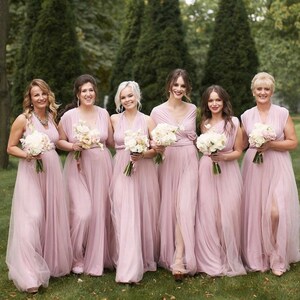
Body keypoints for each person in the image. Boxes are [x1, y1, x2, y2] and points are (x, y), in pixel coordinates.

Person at [6, 79, 72, 293]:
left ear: (48, 95)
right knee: (31, 217)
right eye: (36, 95)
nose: (41, 98)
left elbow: (58, 142)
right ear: (30, 98)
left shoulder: (52, 118)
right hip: (31, 173)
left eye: (44, 93)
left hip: (52, 172)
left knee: (50, 216)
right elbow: (10, 147)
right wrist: (28, 154)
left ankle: (49, 264)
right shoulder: (23, 119)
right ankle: (27, 273)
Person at [241, 72, 300, 276]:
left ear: (272, 91)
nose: (263, 92)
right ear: (253, 92)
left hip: (277, 166)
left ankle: (277, 253)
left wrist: (271, 143)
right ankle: (259, 254)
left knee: (276, 212)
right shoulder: (246, 116)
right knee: (257, 211)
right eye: (259, 89)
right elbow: (240, 144)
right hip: (254, 168)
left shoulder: (282, 113)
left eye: (266, 89)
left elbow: (293, 142)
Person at [57, 74, 114, 276]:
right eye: (84, 91)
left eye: (91, 90)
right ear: (78, 94)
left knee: (100, 212)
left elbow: (112, 143)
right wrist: (73, 145)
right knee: (82, 213)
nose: (88, 94)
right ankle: (76, 256)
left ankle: (97, 255)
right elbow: (59, 141)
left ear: (95, 92)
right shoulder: (69, 116)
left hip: (102, 169)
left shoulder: (104, 114)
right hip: (78, 167)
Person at [150, 69, 198, 281]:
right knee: (170, 207)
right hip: (168, 161)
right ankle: (167, 250)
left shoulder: (193, 109)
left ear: (187, 88)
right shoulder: (157, 112)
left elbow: (194, 136)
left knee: (184, 207)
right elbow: (153, 140)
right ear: (169, 85)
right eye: (176, 85)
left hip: (189, 158)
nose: (179, 89)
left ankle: (179, 259)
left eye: (183, 86)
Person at [110, 81, 160, 283]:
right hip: (122, 169)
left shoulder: (148, 120)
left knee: (142, 213)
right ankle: (127, 263)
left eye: (130, 96)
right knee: (124, 211)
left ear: (137, 96)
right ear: (119, 100)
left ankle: (144, 258)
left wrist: (143, 154)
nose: (127, 100)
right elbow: (107, 143)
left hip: (144, 171)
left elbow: (157, 149)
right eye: (123, 97)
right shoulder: (113, 119)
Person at [194, 85, 246, 277]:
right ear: (206, 104)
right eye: (210, 100)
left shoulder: (233, 122)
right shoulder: (204, 123)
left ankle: (229, 256)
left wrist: (223, 157)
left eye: (218, 100)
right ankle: (212, 257)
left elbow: (239, 151)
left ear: (224, 101)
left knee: (228, 214)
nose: (214, 104)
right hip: (207, 171)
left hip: (228, 172)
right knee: (210, 213)